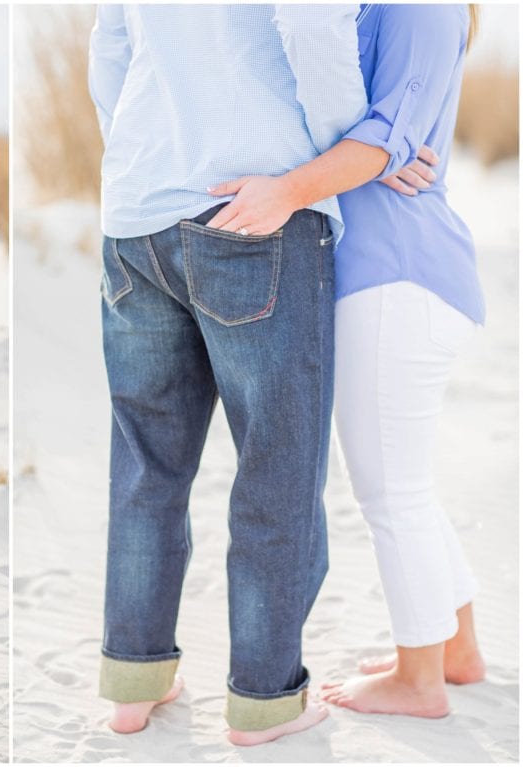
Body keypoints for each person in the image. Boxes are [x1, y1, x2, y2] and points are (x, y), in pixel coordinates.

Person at [88, 5, 372, 745]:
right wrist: (341, 148)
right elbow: (312, 24)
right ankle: (265, 699)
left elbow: (108, 48)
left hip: (134, 216)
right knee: (278, 465)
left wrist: (140, 158)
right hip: (255, 206)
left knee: (147, 465)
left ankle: (132, 682)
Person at [204, 4, 486, 719]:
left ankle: (419, 677)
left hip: (397, 271)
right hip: (386, 273)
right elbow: (373, 134)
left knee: (391, 492)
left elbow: (385, 139)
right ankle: (454, 650)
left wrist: (293, 188)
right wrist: (367, 150)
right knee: (405, 482)